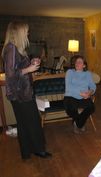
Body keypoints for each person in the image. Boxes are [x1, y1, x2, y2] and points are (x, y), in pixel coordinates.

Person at [2, 21, 52, 160]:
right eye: (26, 31)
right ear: (18, 32)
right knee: (33, 121)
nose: (28, 33)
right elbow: (10, 74)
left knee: (23, 124)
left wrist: (31, 64)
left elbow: (18, 69)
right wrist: (29, 69)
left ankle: (27, 151)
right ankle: (39, 150)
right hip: (20, 94)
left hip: (20, 93)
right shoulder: (11, 48)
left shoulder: (15, 48)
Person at [64, 55, 96, 133]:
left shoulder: (87, 74)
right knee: (71, 109)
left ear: (84, 65)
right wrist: (81, 93)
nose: (77, 63)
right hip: (70, 96)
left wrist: (90, 92)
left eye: (80, 62)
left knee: (91, 108)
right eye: (76, 62)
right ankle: (80, 124)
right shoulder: (70, 72)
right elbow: (68, 87)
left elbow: (93, 86)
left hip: (84, 96)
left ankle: (77, 123)